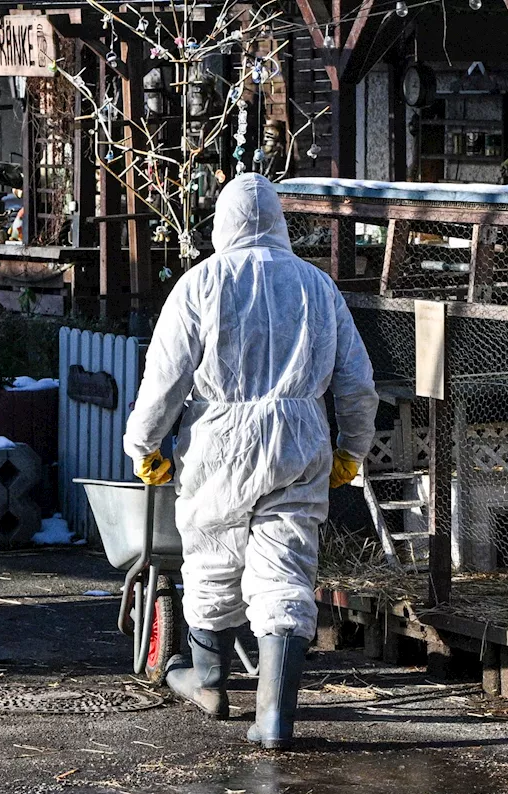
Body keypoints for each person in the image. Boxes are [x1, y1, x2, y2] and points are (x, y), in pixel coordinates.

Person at [123, 174, 378, 749]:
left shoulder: (199, 284)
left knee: (211, 556)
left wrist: (145, 446)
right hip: (299, 439)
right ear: (282, 223)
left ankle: (210, 681)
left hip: (217, 443)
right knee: (286, 569)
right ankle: (275, 719)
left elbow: (163, 382)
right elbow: (357, 383)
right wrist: (350, 452)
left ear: (221, 223)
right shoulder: (317, 286)